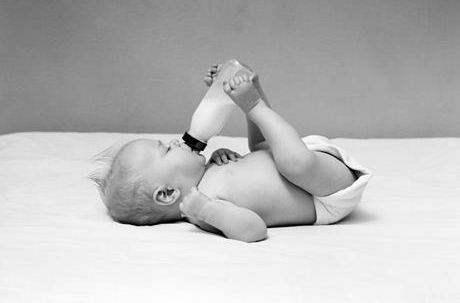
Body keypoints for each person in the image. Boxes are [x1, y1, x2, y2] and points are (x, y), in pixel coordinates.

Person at [90, 62, 372, 243]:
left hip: (302, 160)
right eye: (165, 150)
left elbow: (248, 172)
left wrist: (221, 158)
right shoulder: (202, 209)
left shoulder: (205, 176)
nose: (175, 143)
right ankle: (253, 104)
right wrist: (209, 210)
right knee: (291, 163)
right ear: (167, 194)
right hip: (324, 195)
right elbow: (254, 230)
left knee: (260, 149)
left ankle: (251, 91)